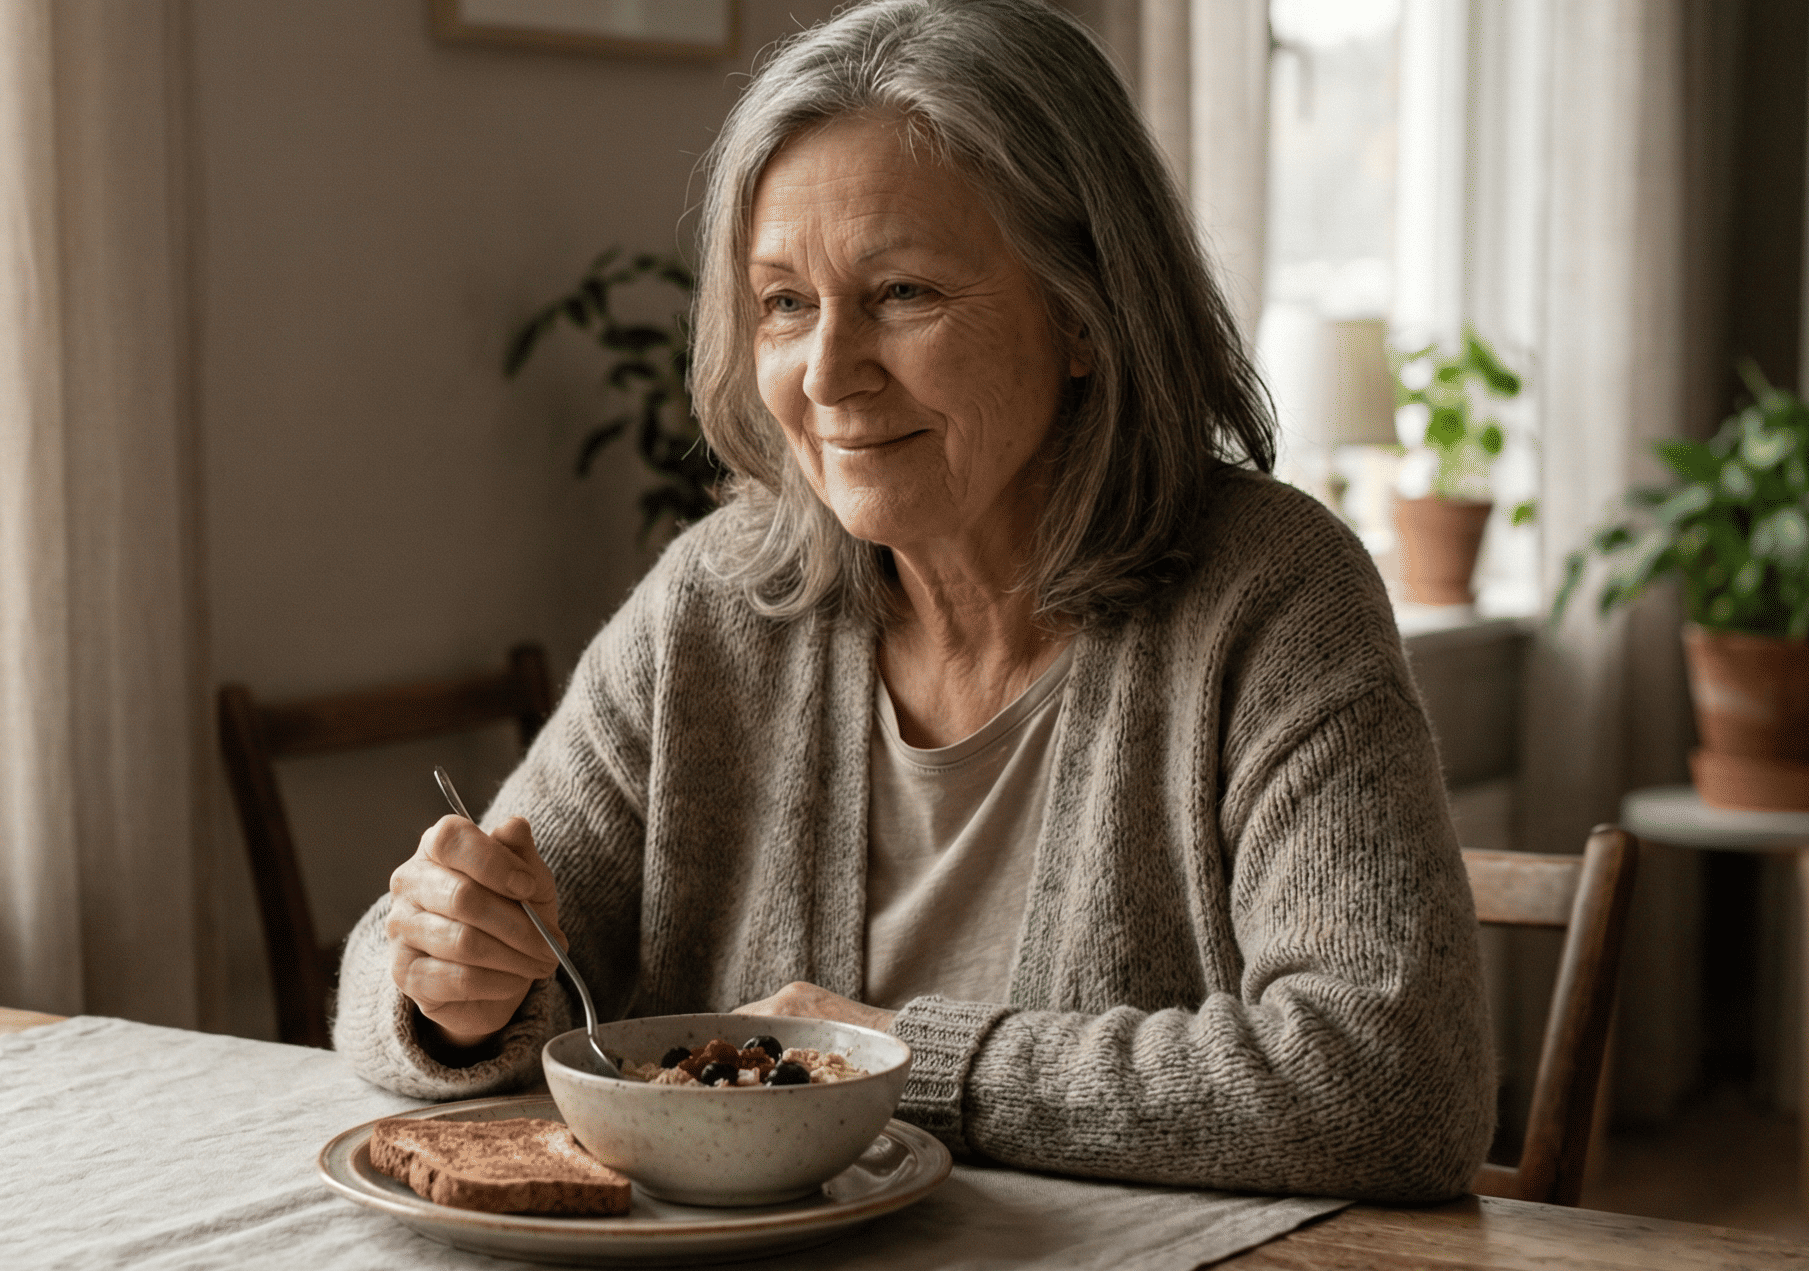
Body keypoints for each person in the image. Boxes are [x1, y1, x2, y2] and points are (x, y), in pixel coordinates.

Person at [334, 0, 1493, 1203]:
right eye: (784, 302)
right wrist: (455, 985)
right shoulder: (718, 604)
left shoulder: (1273, 595)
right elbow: (405, 974)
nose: (828, 373)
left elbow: (1392, 1081)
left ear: (1086, 313)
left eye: (901, 293)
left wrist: (892, 1061)